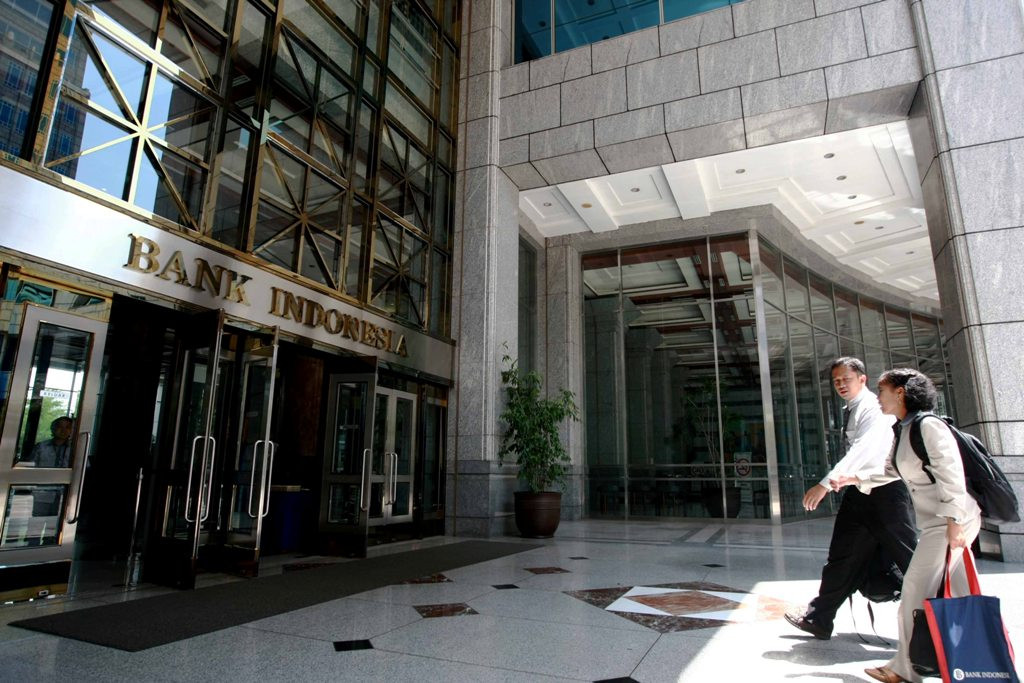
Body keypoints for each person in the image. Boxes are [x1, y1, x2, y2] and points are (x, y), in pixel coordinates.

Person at [851, 369, 982, 683]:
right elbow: (892, 470)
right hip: (941, 522)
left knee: (913, 588)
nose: (878, 397)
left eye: (882, 391)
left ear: (900, 393)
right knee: (963, 594)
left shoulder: (929, 426)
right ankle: (979, 660)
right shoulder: (904, 429)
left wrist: (954, 522)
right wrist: (854, 479)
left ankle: (904, 669)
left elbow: (951, 472)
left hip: (950, 521)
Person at [784, 357, 917, 640]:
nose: (841, 385)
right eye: (836, 381)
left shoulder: (872, 407)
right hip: (859, 491)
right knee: (842, 556)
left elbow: (864, 449)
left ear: (862, 379)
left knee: (910, 558)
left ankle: (944, 619)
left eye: (846, 379)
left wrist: (825, 484)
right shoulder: (855, 408)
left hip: (886, 492)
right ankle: (819, 618)